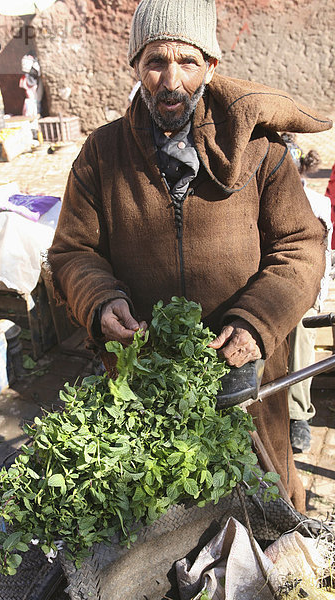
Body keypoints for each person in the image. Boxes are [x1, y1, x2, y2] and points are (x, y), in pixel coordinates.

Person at [48, 0, 332, 511]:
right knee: (160, 515)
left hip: (246, 377)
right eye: (155, 61)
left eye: (187, 61)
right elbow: (72, 250)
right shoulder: (102, 153)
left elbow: (301, 247)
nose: (171, 80)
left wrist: (256, 322)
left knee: (261, 507)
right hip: (146, 383)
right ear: (135, 66)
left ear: (211, 67)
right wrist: (98, 298)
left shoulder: (260, 150)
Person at [281, 133, 333, 453]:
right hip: (270, 289)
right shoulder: (259, 203)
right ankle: (245, 407)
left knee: (301, 326)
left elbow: (323, 258)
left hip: (305, 290)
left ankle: (297, 413)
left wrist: (316, 296)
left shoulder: (317, 205)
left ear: (299, 170)